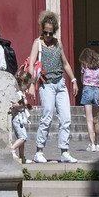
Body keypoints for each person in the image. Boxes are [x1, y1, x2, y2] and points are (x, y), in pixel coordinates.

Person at [24, 12, 76, 163]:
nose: (47, 35)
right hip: (46, 85)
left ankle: (64, 152)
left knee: (66, 118)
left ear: (55, 30)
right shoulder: (38, 43)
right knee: (46, 117)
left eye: (50, 32)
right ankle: (39, 151)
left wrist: (73, 80)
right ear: (42, 29)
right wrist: (32, 85)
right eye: (45, 32)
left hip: (60, 84)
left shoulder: (58, 43)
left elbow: (65, 62)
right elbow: (32, 64)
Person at [8, 69, 35, 164]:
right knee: (23, 137)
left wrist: (27, 105)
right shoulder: (17, 93)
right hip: (17, 118)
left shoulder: (21, 93)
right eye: (27, 85)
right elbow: (14, 105)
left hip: (21, 118)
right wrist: (24, 103)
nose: (27, 88)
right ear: (23, 83)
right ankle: (11, 150)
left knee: (21, 139)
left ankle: (22, 157)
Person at [79, 45, 99, 150]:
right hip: (96, 90)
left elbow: (81, 78)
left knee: (89, 119)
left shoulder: (84, 65)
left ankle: (92, 144)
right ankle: (97, 144)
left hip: (87, 89)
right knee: (96, 120)